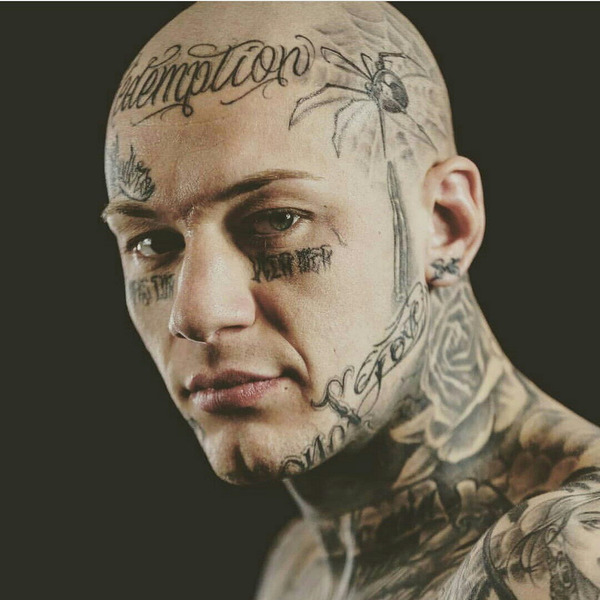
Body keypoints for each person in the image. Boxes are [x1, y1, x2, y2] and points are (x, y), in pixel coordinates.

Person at [102, 3, 600, 599]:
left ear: (446, 224)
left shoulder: (561, 551)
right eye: (153, 243)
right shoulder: (302, 565)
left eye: (277, 220)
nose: (197, 315)